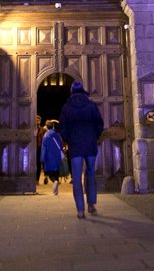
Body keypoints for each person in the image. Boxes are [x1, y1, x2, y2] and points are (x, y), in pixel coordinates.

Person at [57, 80, 104, 218]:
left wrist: (69, 139)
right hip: (90, 144)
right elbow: (99, 124)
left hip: (76, 145)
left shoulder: (67, 107)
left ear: (71, 92)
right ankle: (91, 204)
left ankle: (80, 210)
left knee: (76, 177)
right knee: (90, 174)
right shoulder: (91, 106)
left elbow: (63, 128)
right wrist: (94, 136)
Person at [40, 119, 65, 194]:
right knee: (56, 171)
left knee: (49, 172)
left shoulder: (46, 136)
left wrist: (42, 158)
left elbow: (43, 148)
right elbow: (61, 144)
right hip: (57, 155)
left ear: (47, 127)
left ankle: (55, 182)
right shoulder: (57, 134)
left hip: (49, 156)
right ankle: (56, 190)